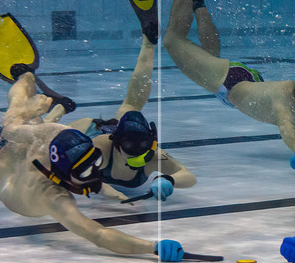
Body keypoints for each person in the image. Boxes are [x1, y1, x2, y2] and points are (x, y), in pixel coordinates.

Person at [0, 61, 192, 260]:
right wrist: (152, 247)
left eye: (94, 162)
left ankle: (23, 79)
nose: (95, 173)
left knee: (22, 115)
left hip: (21, 149)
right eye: (86, 171)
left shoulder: (57, 134)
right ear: (62, 175)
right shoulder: (55, 198)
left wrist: (29, 111)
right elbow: (97, 235)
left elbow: (9, 128)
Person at [162, 0, 295, 164]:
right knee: (172, 41)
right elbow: (287, 128)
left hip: (248, 83)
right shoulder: (284, 97)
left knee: (210, 56)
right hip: (230, 82)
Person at [57, 35, 196, 202]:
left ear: (150, 141)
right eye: (130, 146)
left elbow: (188, 176)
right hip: (90, 130)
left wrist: (169, 179)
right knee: (47, 135)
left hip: (116, 129)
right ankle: (58, 107)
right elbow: (72, 175)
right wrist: (108, 191)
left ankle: (149, 41)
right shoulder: (101, 148)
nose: (138, 151)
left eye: (143, 144)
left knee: (131, 105)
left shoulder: (153, 156)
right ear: (116, 143)